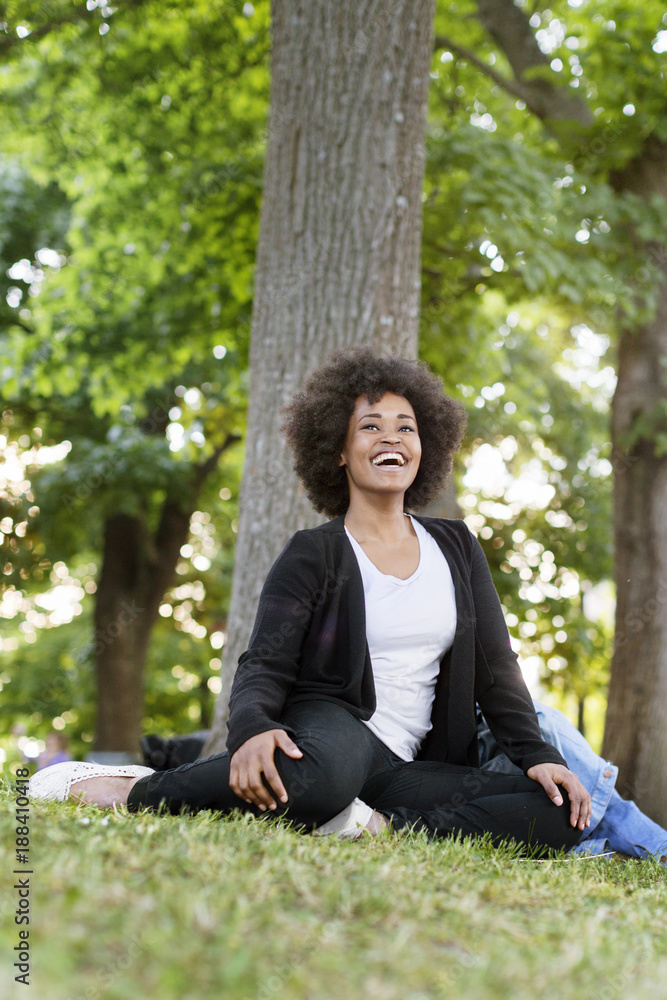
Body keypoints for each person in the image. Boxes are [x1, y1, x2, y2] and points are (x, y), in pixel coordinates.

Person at [31, 348, 591, 855]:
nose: (391, 438)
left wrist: (542, 757)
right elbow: (265, 662)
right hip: (335, 730)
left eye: (406, 427)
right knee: (318, 777)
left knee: (563, 815)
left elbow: (498, 673)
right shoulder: (314, 553)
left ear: (427, 445)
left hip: (407, 766)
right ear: (339, 452)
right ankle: (125, 788)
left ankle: (374, 826)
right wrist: (251, 730)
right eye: (370, 427)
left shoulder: (458, 547)